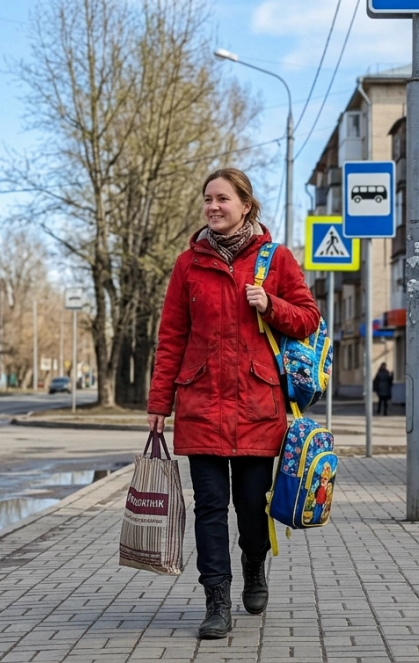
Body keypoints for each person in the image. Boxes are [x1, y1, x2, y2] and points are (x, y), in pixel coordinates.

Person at [147, 168, 320, 640]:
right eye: (207, 199)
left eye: (222, 198)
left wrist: (271, 305)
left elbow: (308, 319)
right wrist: (159, 403)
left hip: (257, 404)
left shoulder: (275, 259)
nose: (213, 207)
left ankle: (253, 564)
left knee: (250, 507)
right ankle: (216, 600)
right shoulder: (189, 265)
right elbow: (172, 338)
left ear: (246, 204)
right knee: (208, 507)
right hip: (201, 401)